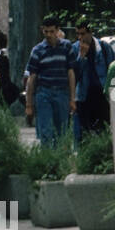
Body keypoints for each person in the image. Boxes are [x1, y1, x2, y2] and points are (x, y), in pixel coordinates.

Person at [25, 15, 76, 147]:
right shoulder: (37, 50)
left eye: (52, 31)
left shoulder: (66, 47)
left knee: (62, 132)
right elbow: (32, 78)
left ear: (58, 31)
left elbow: (71, 73)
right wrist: (29, 104)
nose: (49, 35)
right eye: (45, 31)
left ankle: (61, 163)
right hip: (44, 93)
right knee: (46, 132)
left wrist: (72, 98)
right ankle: (47, 163)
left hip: (62, 93)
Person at [71, 16, 115, 139]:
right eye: (78, 34)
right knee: (83, 132)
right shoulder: (74, 49)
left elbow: (112, 71)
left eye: (83, 34)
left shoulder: (104, 47)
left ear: (91, 32)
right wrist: (82, 57)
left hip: (102, 94)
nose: (80, 37)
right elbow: (74, 75)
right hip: (84, 96)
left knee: (103, 130)